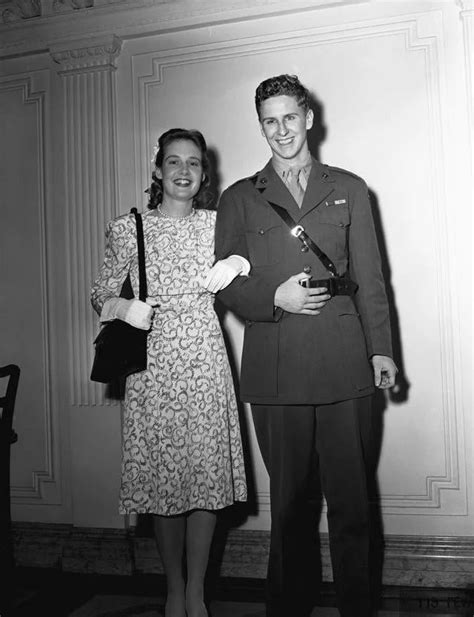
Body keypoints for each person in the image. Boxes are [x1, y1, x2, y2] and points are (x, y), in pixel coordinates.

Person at [214, 75, 398, 617]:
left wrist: (381, 349)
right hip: (277, 372)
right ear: (261, 126)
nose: (280, 131)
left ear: (308, 117)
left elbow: (371, 275)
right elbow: (224, 282)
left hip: (345, 364)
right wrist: (274, 297)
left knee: (352, 508)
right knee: (290, 511)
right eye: (269, 121)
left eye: (289, 117)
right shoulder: (240, 198)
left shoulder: (350, 187)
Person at [91, 128, 249, 617]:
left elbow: (257, 268)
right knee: (164, 484)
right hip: (152, 362)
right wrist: (122, 306)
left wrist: (240, 261)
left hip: (204, 356)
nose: (184, 171)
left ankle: (197, 589)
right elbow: (99, 292)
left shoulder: (219, 224)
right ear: (157, 170)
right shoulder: (127, 226)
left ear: (204, 174)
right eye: (174, 161)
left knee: (205, 478)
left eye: (195, 163)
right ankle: (174, 588)